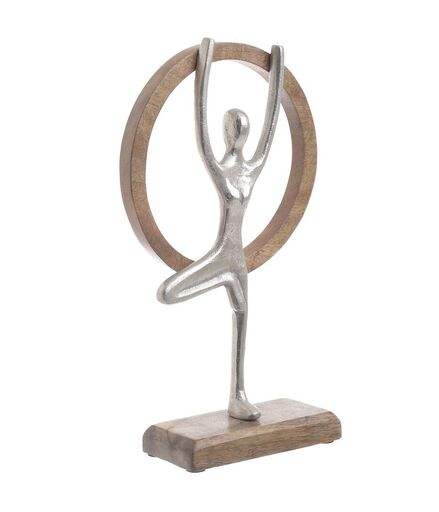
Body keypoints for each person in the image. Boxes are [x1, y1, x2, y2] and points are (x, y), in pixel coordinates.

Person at [157, 38, 284, 420]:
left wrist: (277, 70)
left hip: (238, 261)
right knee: (169, 293)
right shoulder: (221, 167)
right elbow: (201, 132)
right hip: (220, 257)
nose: (238, 133)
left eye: (241, 127)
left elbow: (272, 128)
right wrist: (206, 64)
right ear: (226, 133)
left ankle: (238, 395)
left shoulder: (253, 168)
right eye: (232, 127)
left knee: (242, 319)